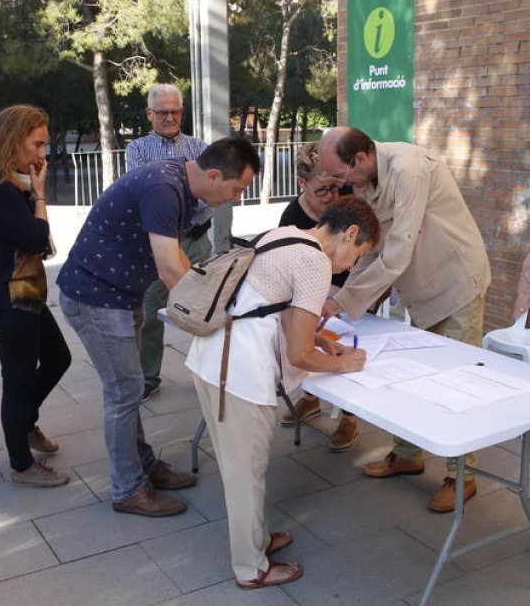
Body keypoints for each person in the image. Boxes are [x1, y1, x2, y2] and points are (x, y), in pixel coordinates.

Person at [57, 136, 259, 517]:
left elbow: (177, 254)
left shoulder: (177, 184)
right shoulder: (165, 187)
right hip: (98, 298)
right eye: (237, 188)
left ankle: (143, 465)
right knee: (124, 391)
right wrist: (206, 316)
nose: (236, 197)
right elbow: (169, 267)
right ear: (214, 175)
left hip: (117, 295)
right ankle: (128, 489)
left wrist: (207, 294)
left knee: (128, 388)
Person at [186, 197, 379, 589]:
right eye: (357, 255)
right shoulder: (316, 262)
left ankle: (257, 541)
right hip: (237, 375)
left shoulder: (285, 235)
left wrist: (326, 341)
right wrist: (345, 363)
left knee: (241, 471)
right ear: (351, 233)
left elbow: (275, 308)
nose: (350, 266)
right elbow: (298, 352)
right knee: (245, 478)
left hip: (209, 359)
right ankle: (250, 568)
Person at [316, 126, 491, 513]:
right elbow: (369, 245)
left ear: (359, 159)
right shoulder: (367, 180)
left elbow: (396, 252)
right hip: (421, 285)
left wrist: (342, 300)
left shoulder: (409, 168)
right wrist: (335, 294)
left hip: (456, 280)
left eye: (342, 175)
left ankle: (462, 476)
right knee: (416, 376)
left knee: (459, 383)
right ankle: (408, 455)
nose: (342, 185)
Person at [0, 105, 73, 487]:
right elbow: (35, 238)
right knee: (18, 379)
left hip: (25, 293)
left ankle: (24, 424)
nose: (43, 153)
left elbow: (39, 246)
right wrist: (41, 196)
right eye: (37, 144)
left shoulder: (10, 187)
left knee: (59, 358)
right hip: (9, 299)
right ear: (13, 141)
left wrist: (33, 193)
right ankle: (21, 464)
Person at [125, 84, 212, 402]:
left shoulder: (200, 147)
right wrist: (189, 193)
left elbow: (208, 199)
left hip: (196, 241)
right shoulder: (137, 150)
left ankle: (210, 371)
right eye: (162, 112)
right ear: (150, 114)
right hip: (157, 248)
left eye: (175, 111)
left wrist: (171, 199)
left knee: (205, 309)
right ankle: (147, 377)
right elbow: (142, 197)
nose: (170, 117)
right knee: (150, 312)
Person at [277, 142, 361, 451]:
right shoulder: (292, 215)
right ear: (302, 183)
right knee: (311, 339)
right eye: (322, 190)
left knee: (352, 343)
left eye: (337, 188)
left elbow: (363, 253)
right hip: (313, 289)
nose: (332, 197)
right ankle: (310, 397)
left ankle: (350, 415)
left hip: (349, 288)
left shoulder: (348, 200)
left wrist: (344, 295)